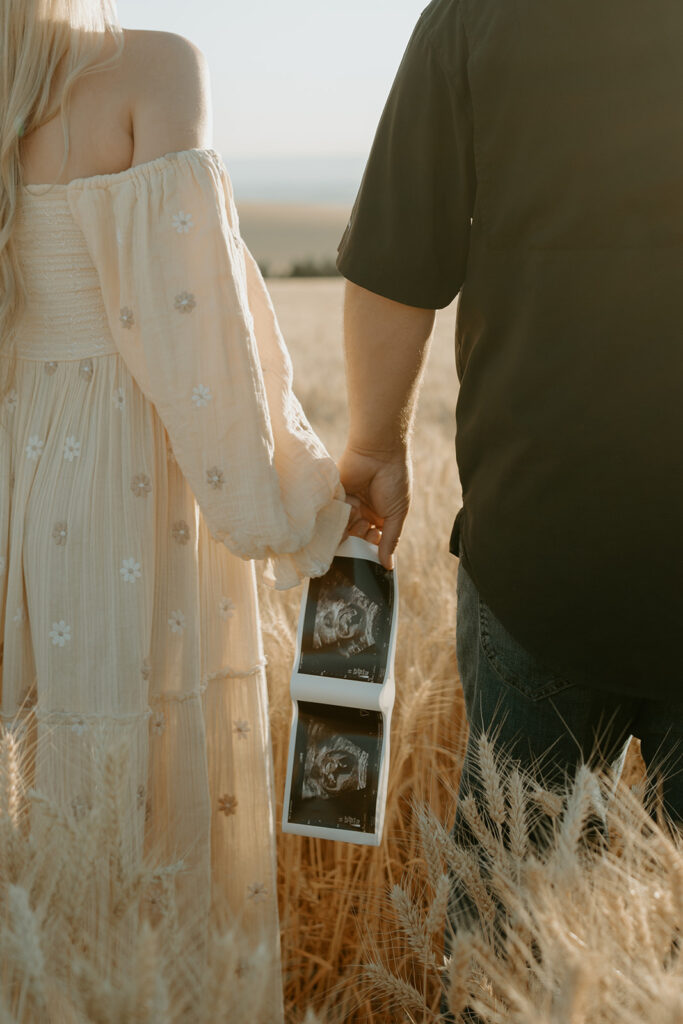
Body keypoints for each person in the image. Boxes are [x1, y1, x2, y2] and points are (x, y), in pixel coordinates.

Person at [0, 3, 352, 1018]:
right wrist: (300, 511)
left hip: (15, 482)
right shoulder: (154, 65)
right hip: (126, 490)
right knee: (141, 788)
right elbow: (197, 344)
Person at [337, 0, 683, 1010]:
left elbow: (392, 269)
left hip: (539, 541)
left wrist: (373, 445)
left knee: (500, 945)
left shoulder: (477, 18)